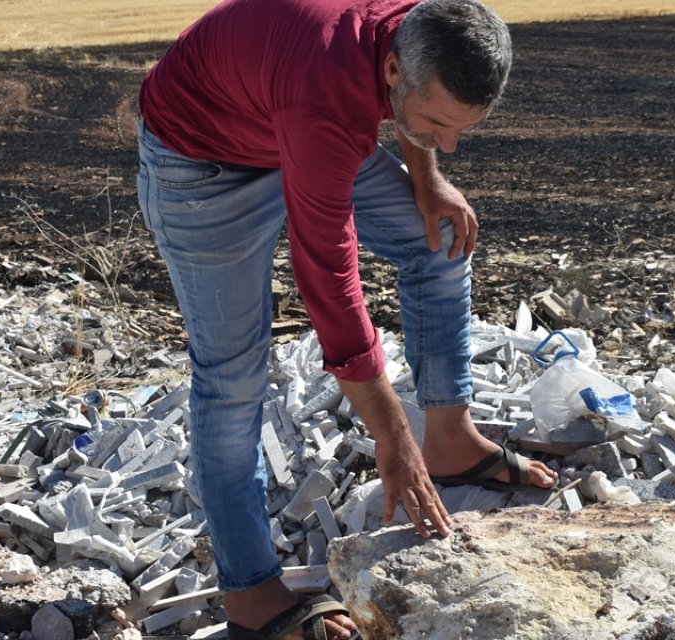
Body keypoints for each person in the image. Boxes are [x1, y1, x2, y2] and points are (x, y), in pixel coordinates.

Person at [136, 0, 557, 636]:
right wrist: (391, 434)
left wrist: (427, 179)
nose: (448, 140)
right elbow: (327, 280)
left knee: (438, 238)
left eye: (461, 128)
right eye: (438, 123)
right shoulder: (325, 97)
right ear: (392, 69)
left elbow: (408, 114)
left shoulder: (423, 22)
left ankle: (448, 439)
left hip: (292, 116)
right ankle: (250, 591)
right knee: (233, 379)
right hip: (204, 162)